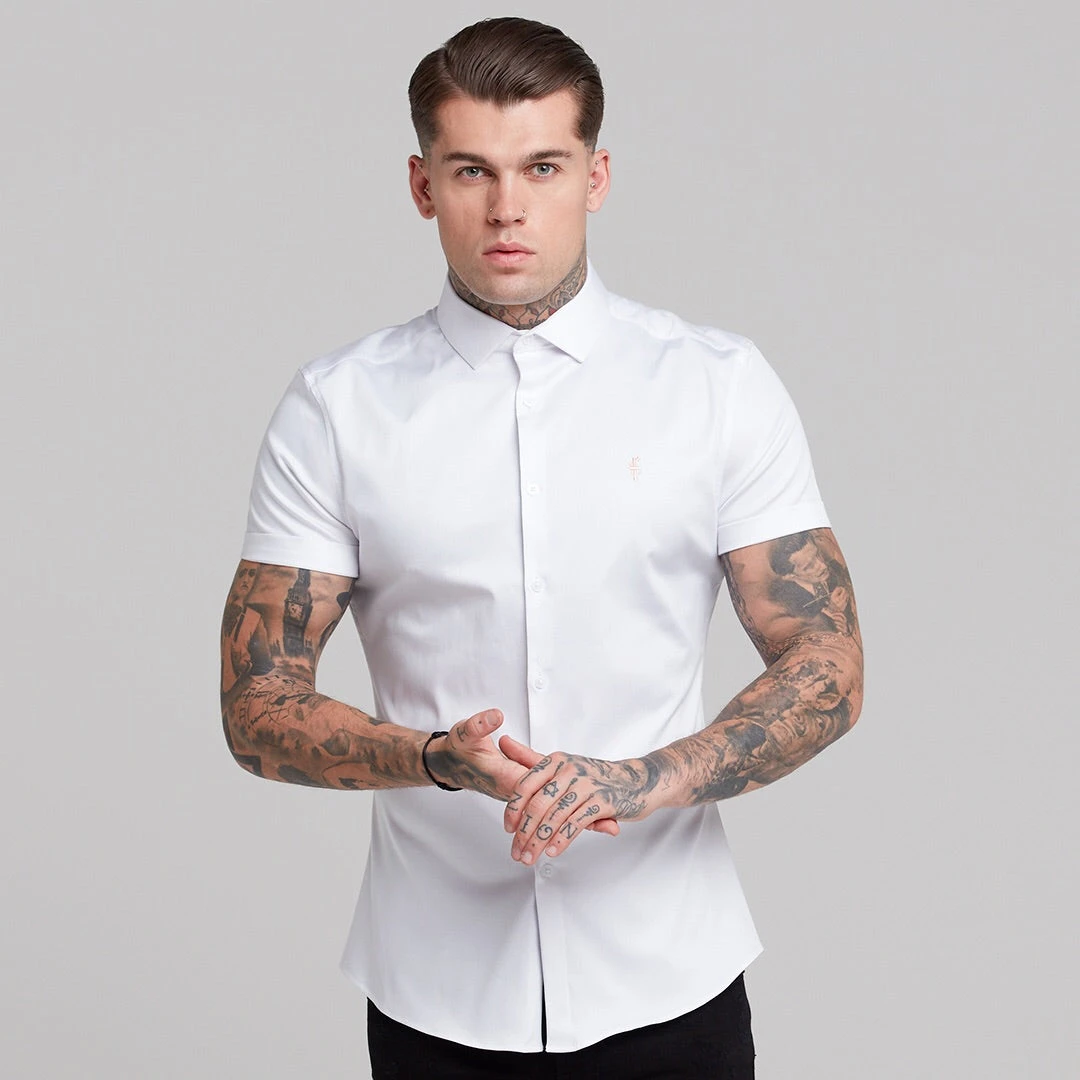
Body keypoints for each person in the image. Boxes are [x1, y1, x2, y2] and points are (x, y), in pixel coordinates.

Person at [220, 17, 864, 1078]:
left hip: (671, 974)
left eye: (543, 167)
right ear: (423, 185)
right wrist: (435, 759)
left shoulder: (717, 385)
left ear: (596, 177)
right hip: (435, 988)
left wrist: (642, 779)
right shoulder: (337, 409)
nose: (507, 207)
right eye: (471, 170)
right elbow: (257, 704)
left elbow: (827, 662)